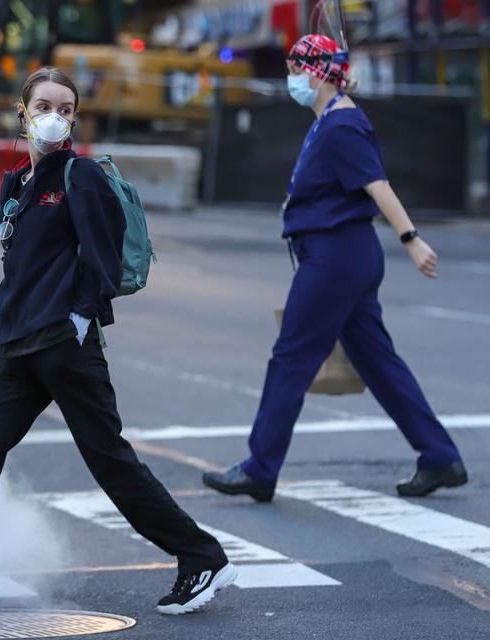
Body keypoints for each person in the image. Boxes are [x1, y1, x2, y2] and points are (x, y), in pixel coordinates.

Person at [0, 67, 236, 625]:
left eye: (66, 109)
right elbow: (16, 271)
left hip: (66, 345)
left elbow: (104, 261)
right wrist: (5, 337)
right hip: (14, 351)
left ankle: (202, 557)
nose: (55, 116)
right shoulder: (14, 185)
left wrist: (79, 319)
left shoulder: (81, 176)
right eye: (45, 104)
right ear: (22, 110)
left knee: (110, 462)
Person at [203, 34, 468, 504]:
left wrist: (411, 239)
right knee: (378, 363)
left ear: (319, 72)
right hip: (341, 257)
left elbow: (377, 184)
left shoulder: (342, 122)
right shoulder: (328, 119)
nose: (291, 78)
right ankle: (440, 457)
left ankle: (260, 468)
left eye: (296, 68)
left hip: (336, 260)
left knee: (291, 357)